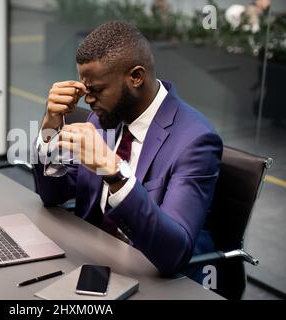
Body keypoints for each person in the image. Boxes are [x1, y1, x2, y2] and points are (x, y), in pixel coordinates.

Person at [33, 21, 223, 280]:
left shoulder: (195, 141)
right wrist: (49, 129)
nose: (87, 100)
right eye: (85, 89)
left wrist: (114, 173)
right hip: (90, 258)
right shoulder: (105, 117)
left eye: (96, 90)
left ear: (136, 77)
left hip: (148, 275)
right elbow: (54, 194)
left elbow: (174, 252)